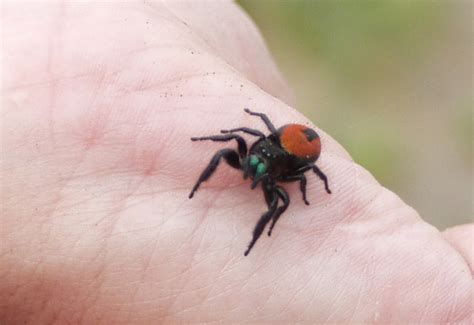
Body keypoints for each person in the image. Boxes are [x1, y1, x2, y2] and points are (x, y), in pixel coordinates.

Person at [2, 2, 472, 323]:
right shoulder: (251, 151)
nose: (250, 174)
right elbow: (241, 134)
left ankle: (258, 236)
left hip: (298, 150)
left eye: (256, 172)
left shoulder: (288, 169)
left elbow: (297, 179)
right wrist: (213, 154)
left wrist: (294, 202)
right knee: (236, 142)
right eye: (252, 169)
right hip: (281, 141)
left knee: (284, 201)